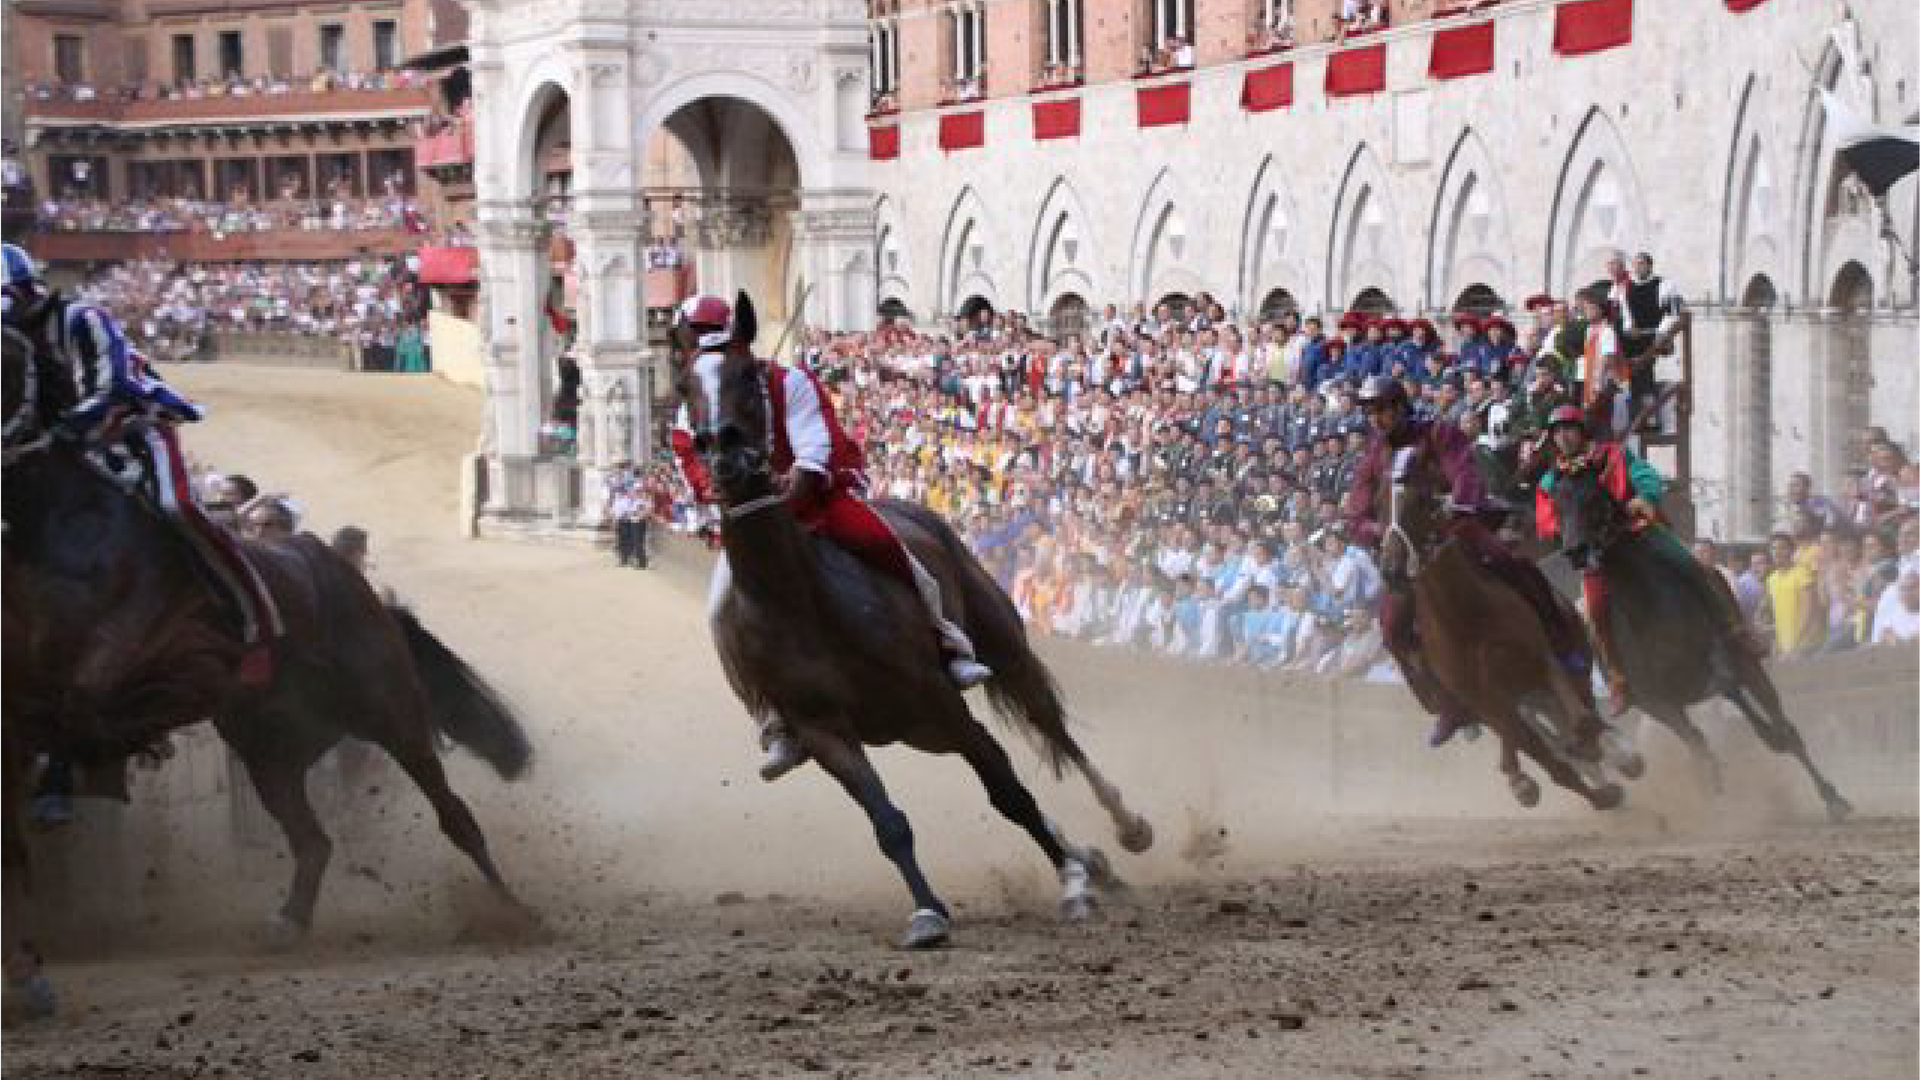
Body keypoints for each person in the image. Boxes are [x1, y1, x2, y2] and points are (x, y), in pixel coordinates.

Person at [674, 294, 993, 782]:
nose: (698, 346)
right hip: (755, 526)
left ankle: (948, 643)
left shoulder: (790, 381)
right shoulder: (693, 405)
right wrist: (712, 486)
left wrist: (794, 484)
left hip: (817, 503)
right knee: (719, 612)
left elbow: (816, 446)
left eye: (703, 336)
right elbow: (695, 471)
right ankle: (773, 719)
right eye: (693, 339)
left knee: (890, 544)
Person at [3, 243, 281, 657]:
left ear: (30, 294)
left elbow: (110, 391)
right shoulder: (11, 344)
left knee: (177, 507)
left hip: (132, 430)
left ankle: (256, 621)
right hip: (62, 446)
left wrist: (57, 433)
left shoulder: (82, 320)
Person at [1342, 375, 1585, 746]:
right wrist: (1381, 531)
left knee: (1517, 566)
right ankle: (1445, 705)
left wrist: (1458, 502)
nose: (1376, 419)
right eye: (1370, 412)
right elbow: (1358, 512)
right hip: (1406, 553)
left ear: (1399, 407)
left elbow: (1464, 472)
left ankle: (1560, 642)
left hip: (1456, 531)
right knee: (1391, 627)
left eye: (1381, 411)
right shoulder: (1374, 456)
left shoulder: (1439, 433)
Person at [1532, 405, 1745, 716]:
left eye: (1568, 429)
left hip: (1635, 532)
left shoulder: (1612, 455)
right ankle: (1618, 679)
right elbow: (1545, 520)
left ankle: (1731, 632)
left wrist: (1643, 496)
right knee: (1596, 611)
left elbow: (1645, 476)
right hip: (1595, 551)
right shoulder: (1551, 481)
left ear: (1581, 432)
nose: (1563, 437)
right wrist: (1567, 527)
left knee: (1692, 566)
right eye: (1557, 432)